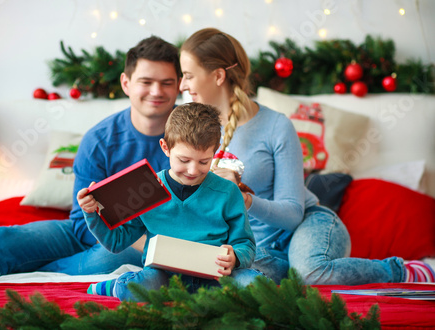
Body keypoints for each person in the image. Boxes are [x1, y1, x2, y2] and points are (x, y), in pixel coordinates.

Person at [178, 27, 435, 285]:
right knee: (239, 279)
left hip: (307, 225)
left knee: (309, 271)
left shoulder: (276, 126)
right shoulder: (194, 130)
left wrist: (244, 199)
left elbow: (292, 214)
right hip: (258, 249)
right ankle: (289, 271)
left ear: (219, 75)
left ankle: (405, 271)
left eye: (188, 76)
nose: (182, 85)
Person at [0, 35, 182, 291]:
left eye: (166, 83)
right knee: (2, 238)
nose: (156, 91)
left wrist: (141, 241)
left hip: (141, 243)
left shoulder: (191, 137)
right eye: (146, 82)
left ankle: (43, 273)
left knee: (122, 256)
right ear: (126, 83)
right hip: (86, 231)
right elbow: (79, 221)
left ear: (179, 85)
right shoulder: (99, 139)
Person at [78, 102, 260, 301]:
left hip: (215, 278)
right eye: (184, 160)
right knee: (138, 288)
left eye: (203, 162)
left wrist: (235, 257)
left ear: (215, 151)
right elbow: (116, 242)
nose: (193, 170)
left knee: (257, 286)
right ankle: (117, 285)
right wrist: (92, 213)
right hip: (162, 276)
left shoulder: (227, 192)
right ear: (166, 147)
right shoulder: (146, 189)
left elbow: (245, 244)